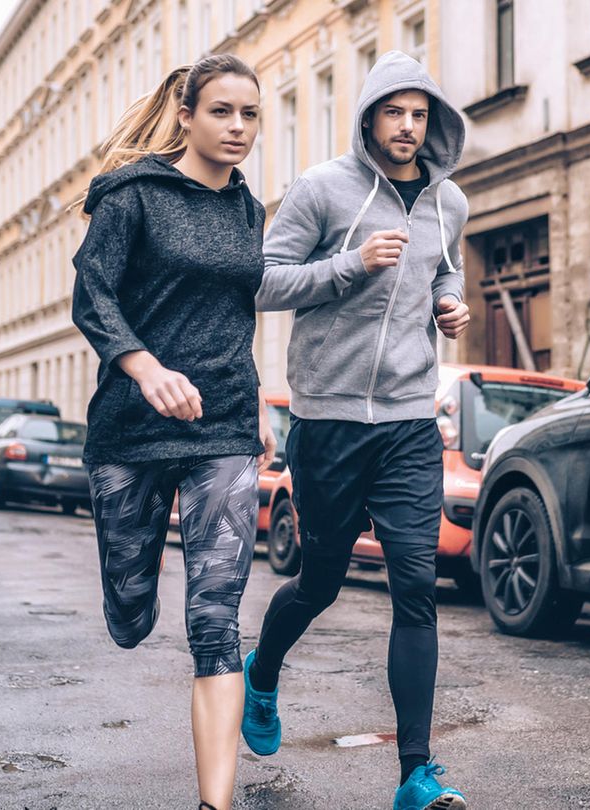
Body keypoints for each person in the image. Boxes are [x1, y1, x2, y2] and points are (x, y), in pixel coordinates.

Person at [241, 51, 472, 810]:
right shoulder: (320, 190)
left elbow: (446, 273)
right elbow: (265, 281)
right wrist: (349, 264)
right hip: (328, 420)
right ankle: (262, 674)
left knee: (416, 586)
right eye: (395, 112)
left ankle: (416, 772)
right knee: (321, 580)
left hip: (408, 422)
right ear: (370, 116)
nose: (409, 127)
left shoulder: (451, 203)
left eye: (421, 114)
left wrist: (449, 305)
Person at [70, 54, 275, 810]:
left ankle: (213, 804)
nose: (238, 128)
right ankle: (131, 599)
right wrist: (144, 368)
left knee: (216, 619)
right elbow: (92, 296)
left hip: (223, 423)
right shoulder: (133, 197)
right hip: (130, 431)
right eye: (222, 111)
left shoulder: (248, 209)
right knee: (129, 610)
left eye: (250, 114)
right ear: (186, 114)